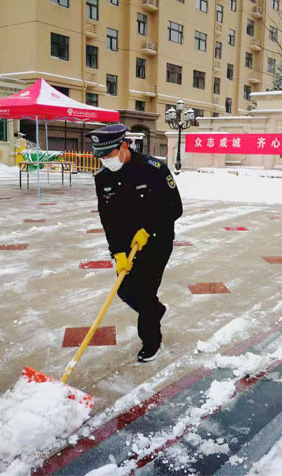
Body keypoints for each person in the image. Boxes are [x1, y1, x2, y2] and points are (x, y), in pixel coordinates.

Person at [87, 124, 183, 362]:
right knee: (125, 290)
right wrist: (117, 252)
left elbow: (174, 208)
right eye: (100, 156)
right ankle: (157, 311)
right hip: (127, 246)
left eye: (108, 154)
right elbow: (108, 220)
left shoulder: (153, 169)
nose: (105, 161)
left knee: (146, 291)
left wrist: (148, 231)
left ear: (123, 146)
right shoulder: (103, 178)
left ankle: (151, 342)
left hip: (157, 241)